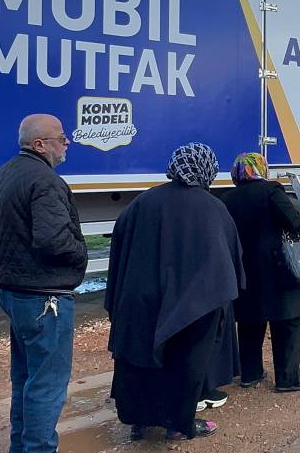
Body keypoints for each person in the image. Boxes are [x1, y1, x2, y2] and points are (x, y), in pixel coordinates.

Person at [105, 143, 245, 441]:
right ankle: (178, 425)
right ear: (206, 168)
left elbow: (118, 252)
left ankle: (138, 422)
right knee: (184, 365)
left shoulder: (141, 203)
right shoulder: (212, 207)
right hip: (194, 306)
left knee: (138, 360)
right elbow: (228, 257)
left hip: (140, 302)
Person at [0, 114, 88, 453]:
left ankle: (22, 446)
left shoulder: (4, 174)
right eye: (61, 137)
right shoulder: (45, 181)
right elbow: (53, 240)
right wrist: (80, 254)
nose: (67, 142)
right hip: (46, 299)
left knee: (25, 381)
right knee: (46, 384)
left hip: (14, 292)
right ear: (39, 144)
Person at [220, 152, 300, 389]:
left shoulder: (227, 199)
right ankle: (287, 379)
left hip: (244, 268)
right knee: (288, 321)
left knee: (249, 322)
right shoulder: (272, 191)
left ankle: (250, 374)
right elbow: (293, 221)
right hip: (278, 269)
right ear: (260, 169)